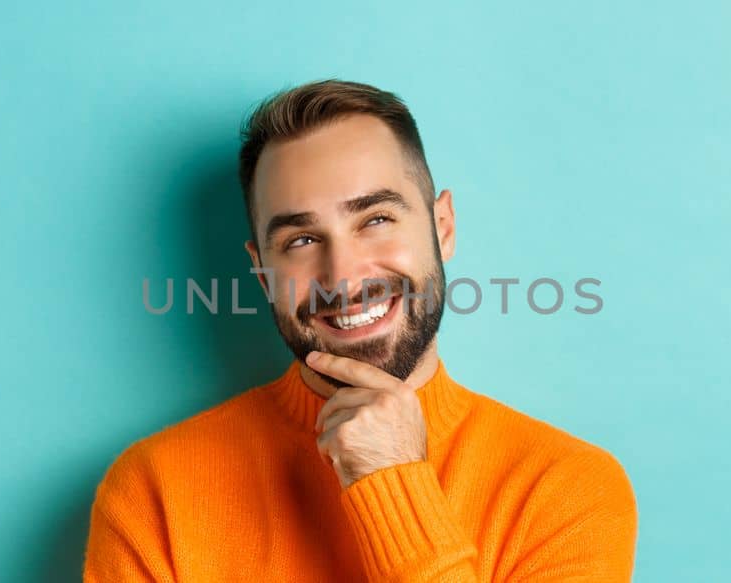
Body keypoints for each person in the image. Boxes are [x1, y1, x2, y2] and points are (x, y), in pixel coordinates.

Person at [84, 79, 638, 581]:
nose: (343, 278)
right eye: (301, 240)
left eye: (374, 220)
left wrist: (392, 481)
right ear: (261, 271)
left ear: (442, 228)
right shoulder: (152, 492)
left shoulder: (568, 489)